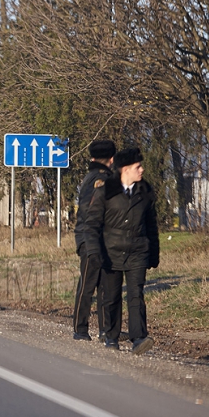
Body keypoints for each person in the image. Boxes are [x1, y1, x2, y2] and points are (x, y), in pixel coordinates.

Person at [85, 147, 160, 355]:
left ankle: (139, 338)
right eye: (138, 166)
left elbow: (152, 226)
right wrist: (94, 251)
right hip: (111, 253)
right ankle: (111, 335)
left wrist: (153, 254)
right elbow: (91, 225)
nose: (142, 170)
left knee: (136, 294)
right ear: (125, 169)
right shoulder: (105, 192)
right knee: (112, 296)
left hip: (138, 252)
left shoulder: (145, 192)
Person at [72, 140, 115, 341]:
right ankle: (80, 329)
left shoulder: (92, 177)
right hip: (91, 239)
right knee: (88, 285)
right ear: (112, 159)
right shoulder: (100, 179)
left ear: (92, 158)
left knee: (104, 286)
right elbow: (93, 211)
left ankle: (105, 330)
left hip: (97, 239)